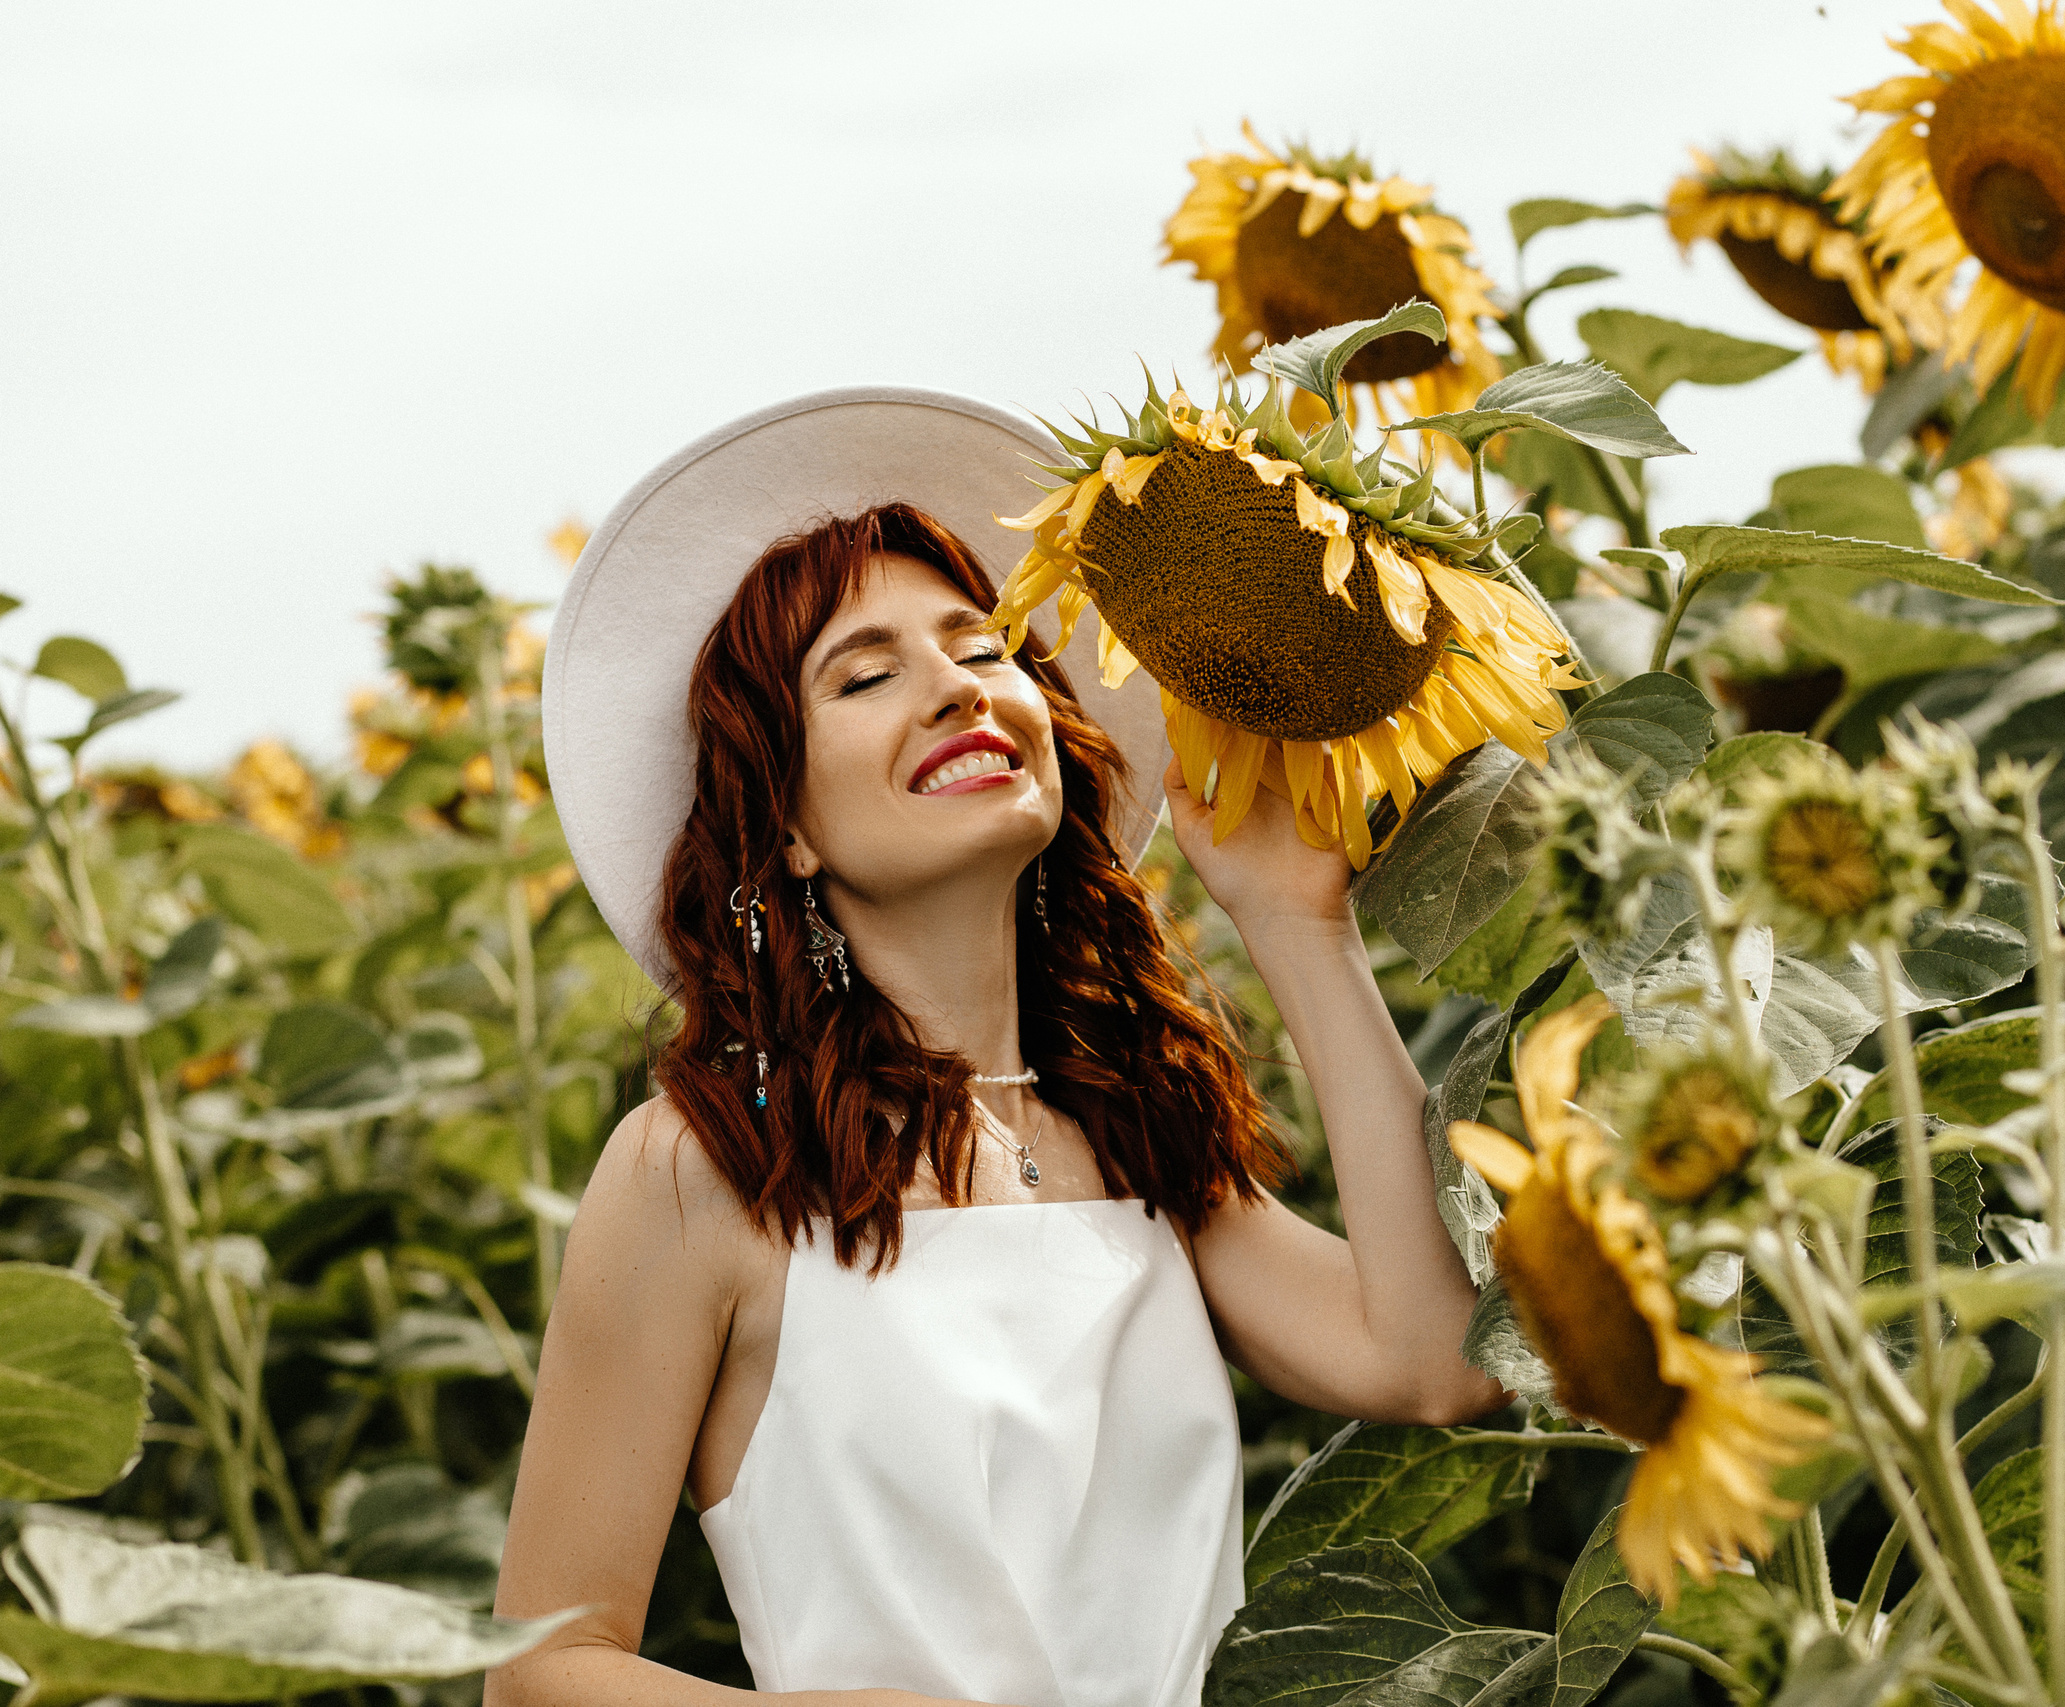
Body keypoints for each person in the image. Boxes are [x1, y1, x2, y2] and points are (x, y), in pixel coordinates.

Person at [487, 388, 1501, 1707]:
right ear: (784, 827)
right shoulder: (704, 1170)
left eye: (986, 649)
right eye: (866, 674)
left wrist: (1292, 920)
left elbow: (1429, 1360)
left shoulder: (1126, 1128)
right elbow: (543, 1671)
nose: (957, 689)